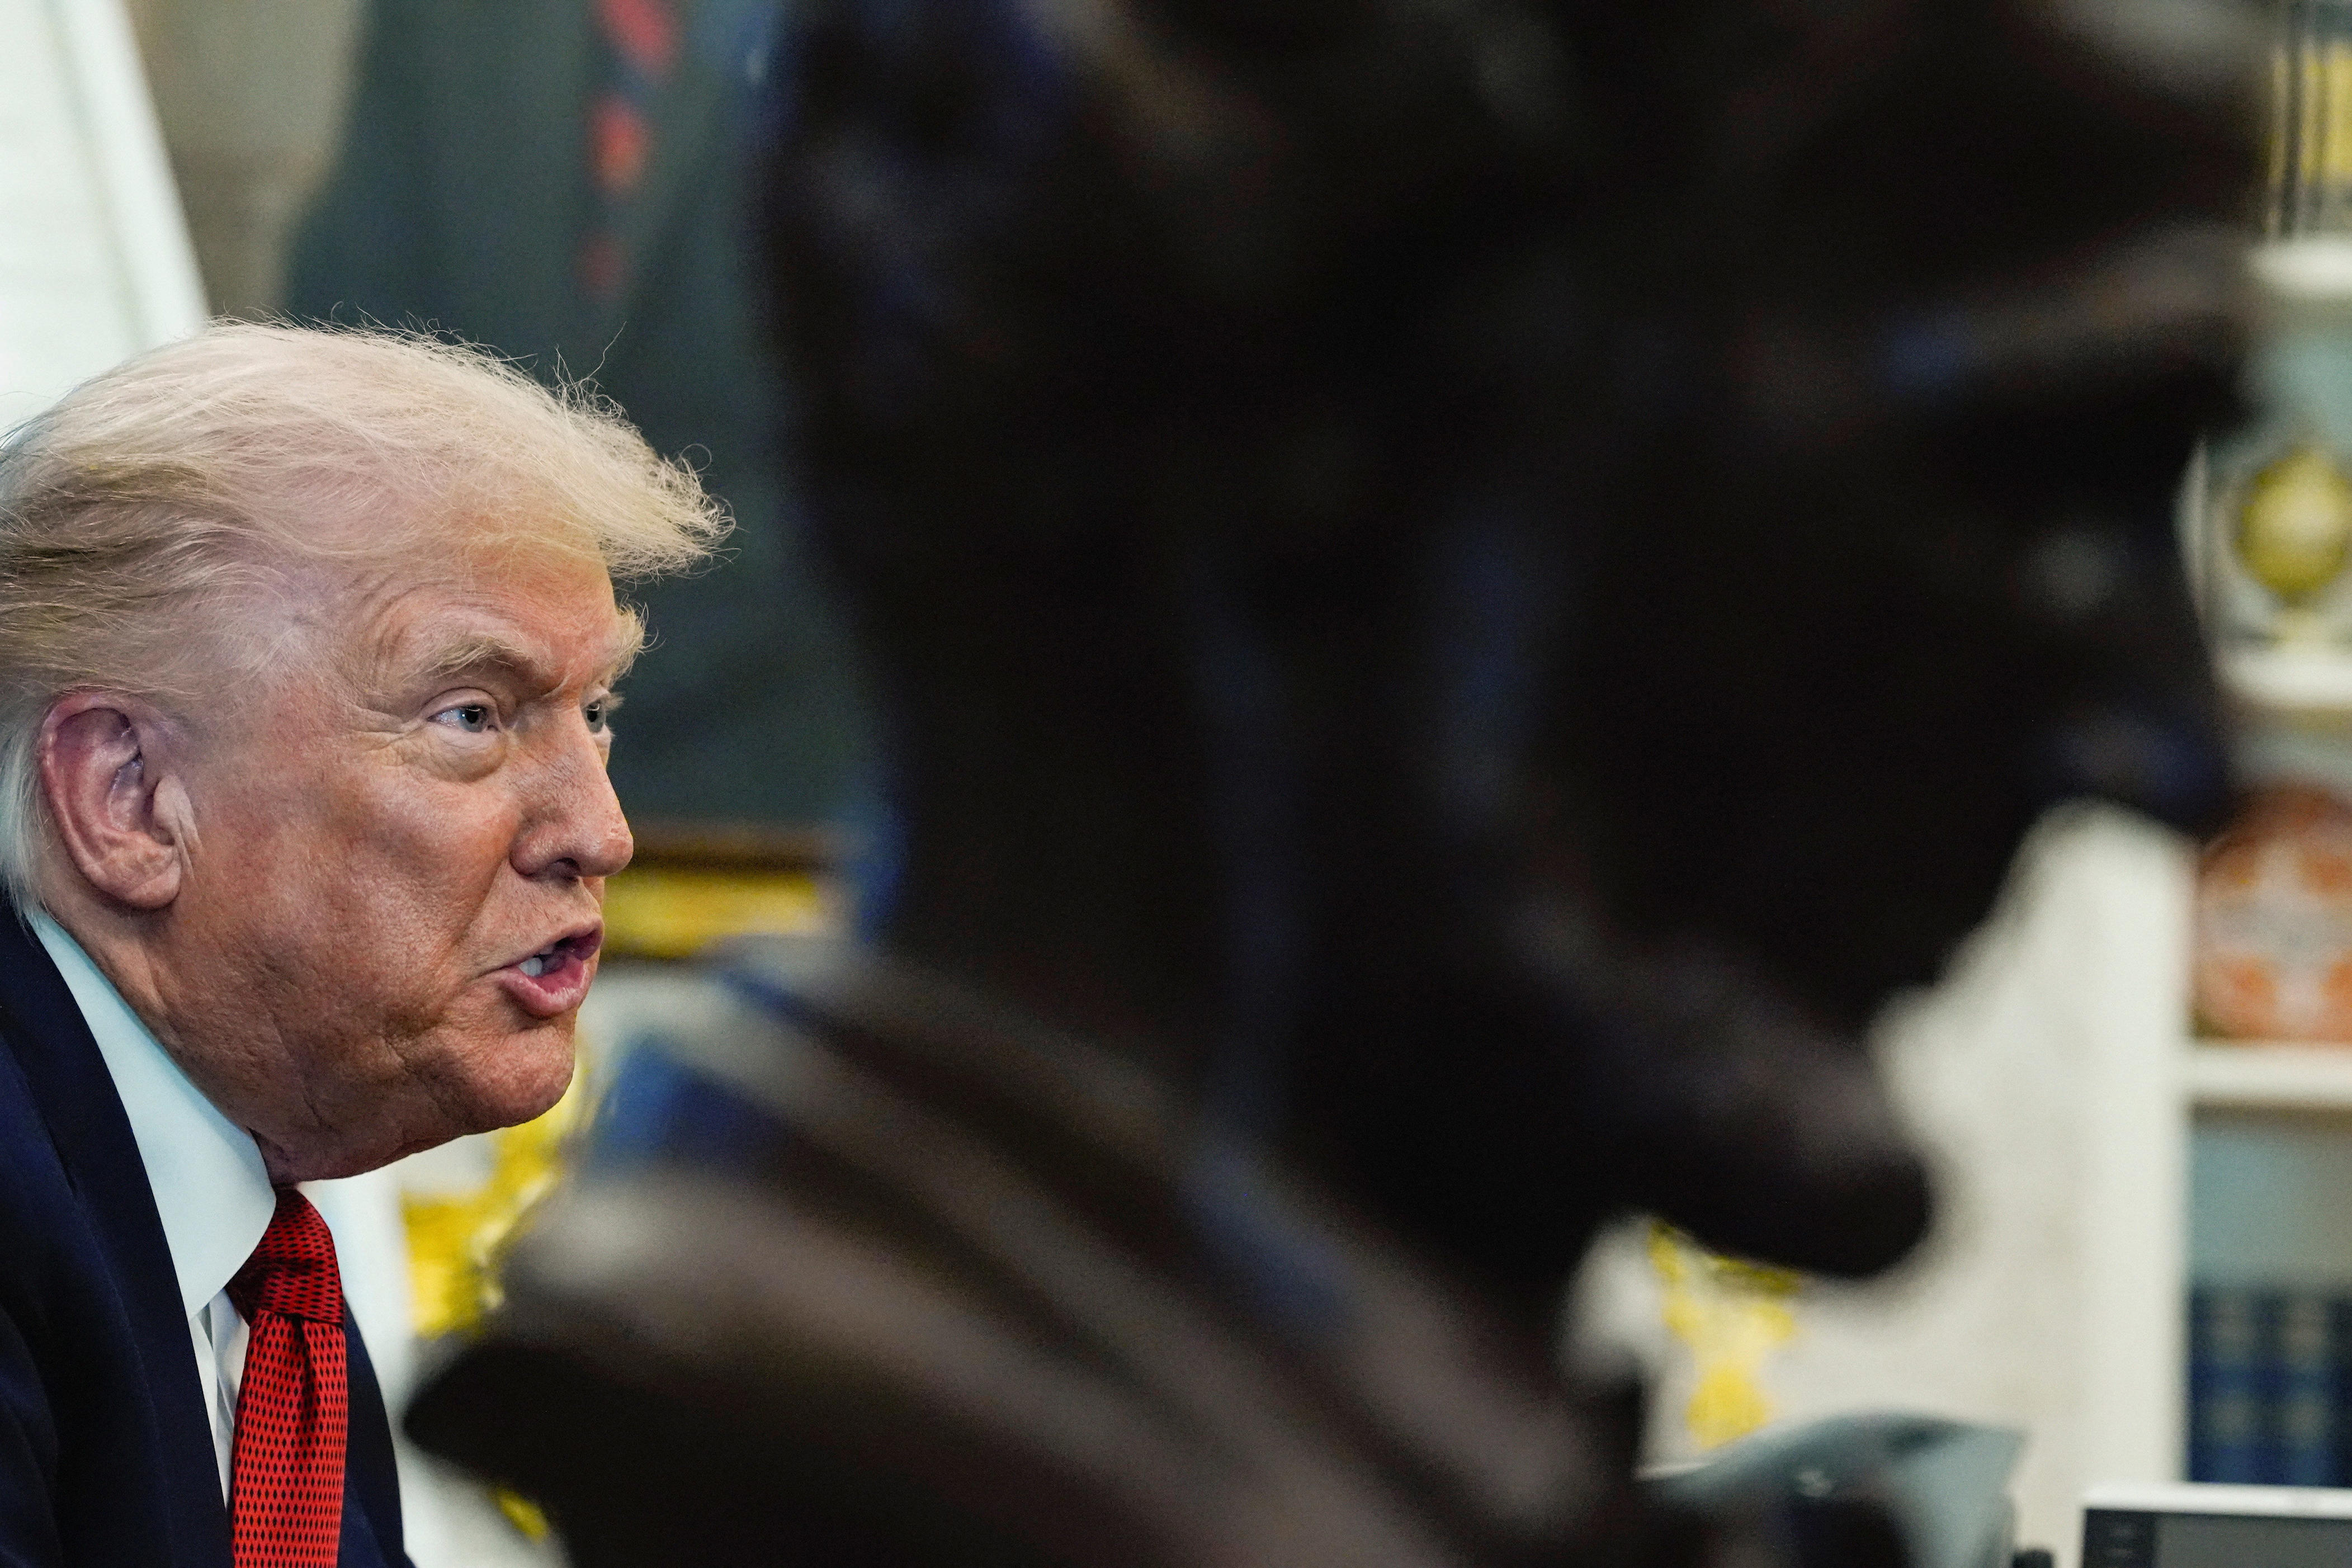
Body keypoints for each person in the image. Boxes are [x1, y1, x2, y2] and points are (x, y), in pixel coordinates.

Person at [0, 322, 721, 1566]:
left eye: (595, 710)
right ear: (129, 798)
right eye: (473, 715)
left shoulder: (261, 1271)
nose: (599, 834)